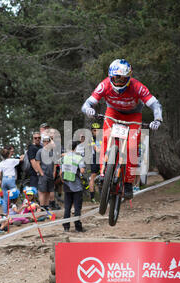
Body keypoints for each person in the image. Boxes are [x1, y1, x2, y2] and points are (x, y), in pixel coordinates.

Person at [81, 58, 163, 199]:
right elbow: (87, 103)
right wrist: (89, 110)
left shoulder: (137, 86)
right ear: (110, 76)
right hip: (113, 113)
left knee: (131, 147)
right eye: (116, 79)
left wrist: (157, 119)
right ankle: (103, 174)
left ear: (129, 78)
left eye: (122, 79)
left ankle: (128, 182)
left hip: (133, 116)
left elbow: (155, 104)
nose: (118, 82)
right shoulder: (105, 84)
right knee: (105, 139)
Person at [60, 141, 86, 232]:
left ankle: (66, 227)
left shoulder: (64, 158)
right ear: (75, 148)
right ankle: (78, 227)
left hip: (67, 186)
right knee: (77, 208)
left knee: (67, 207)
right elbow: (82, 171)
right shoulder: (79, 158)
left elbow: (60, 173)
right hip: (77, 186)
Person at [0, 148, 24, 216]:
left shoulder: (0, 163)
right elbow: (21, 159)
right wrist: (22, 155)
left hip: (4, 180)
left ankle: (5, 213)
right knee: (15, 195)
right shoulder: (12, 160)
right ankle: (15, 211)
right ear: (8, 154)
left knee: (5, 198)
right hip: (11, 179)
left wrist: (0, 180)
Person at [34, 135, 57, 210]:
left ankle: (46, 207)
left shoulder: (52, 152)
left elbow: (54, 162)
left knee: (48, 191)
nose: (46, 143)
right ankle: (42, 207)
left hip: (50, 175)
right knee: (42, 191)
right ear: (42, 142)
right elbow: (37, 163)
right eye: (45, 141)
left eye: (48, 141)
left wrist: (54, 172)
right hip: (43, 174)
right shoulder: (40, 151)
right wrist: (41, 173)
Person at [89, 122, 102, 203]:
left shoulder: (102, 138)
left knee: (103, 175)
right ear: (91, 131)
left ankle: (103, 195)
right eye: (94, 130)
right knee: (93, 176)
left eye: (97, 130)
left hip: (102, 158)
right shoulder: (91, 138)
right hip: (94, 158)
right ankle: (92, 197)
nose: (96, 132)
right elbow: (96, 149)